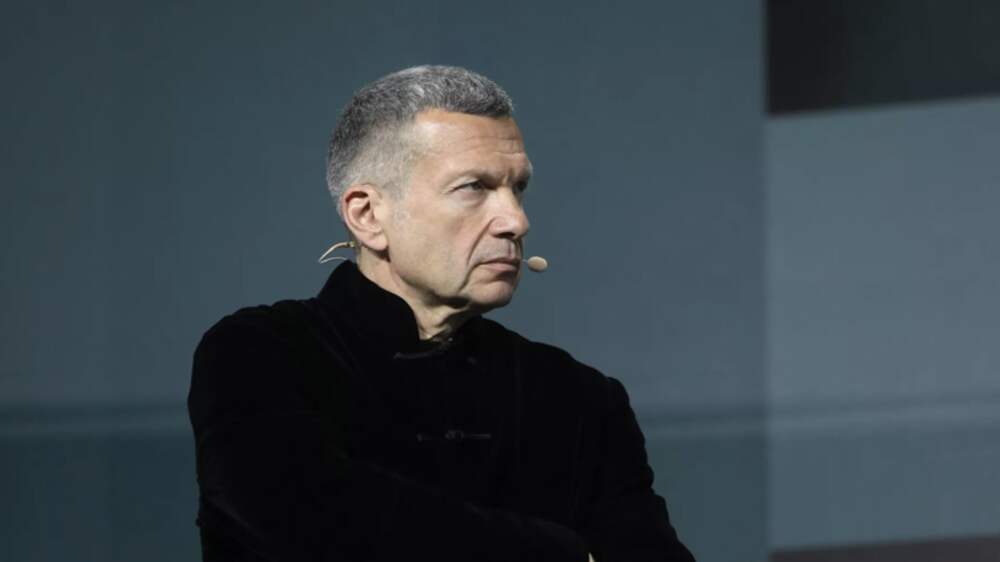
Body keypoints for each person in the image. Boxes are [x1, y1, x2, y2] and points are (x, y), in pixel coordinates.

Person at [187, 65, 695, 562]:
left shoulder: (577, 396)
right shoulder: (259, 353)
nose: (516, 221)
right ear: (367, 215)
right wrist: (567, 551)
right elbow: (304, 518)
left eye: (518, 188)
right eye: (473, 187)